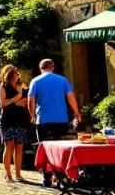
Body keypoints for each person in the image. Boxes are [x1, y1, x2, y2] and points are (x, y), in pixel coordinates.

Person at [27, 58, 82, 186]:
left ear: (41, 68)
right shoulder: (62, 80)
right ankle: (61, 177)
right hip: (60, 119)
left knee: (44, 149)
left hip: (43, 120)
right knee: (60, 150)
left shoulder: (35, 81)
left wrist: (32, 115)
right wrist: (77, 112)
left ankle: (46, 178)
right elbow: (70, 97)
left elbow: (31, 100)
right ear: (52, 67)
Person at [0, 64, 29, 183]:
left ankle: (18, 174)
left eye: (17, 73)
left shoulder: (22, 86)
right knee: (9, 146)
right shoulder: (2, 87)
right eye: (15, 73)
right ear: (9, 75)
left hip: (20, 119)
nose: (17, 75)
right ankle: (8, 173)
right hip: (8, 120)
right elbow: (3, 103)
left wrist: (17, 101)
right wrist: (17, 99)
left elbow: (27, 102)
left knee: (19, 147)